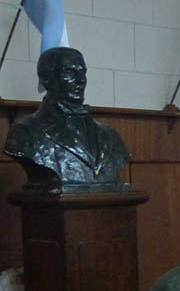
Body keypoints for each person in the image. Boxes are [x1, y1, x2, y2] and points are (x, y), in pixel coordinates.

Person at [3, 47, 129, 192]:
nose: (81, 81)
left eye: (83, 73)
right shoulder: (26, 132)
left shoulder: (110, 137)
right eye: (69, 72)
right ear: (46, 78)